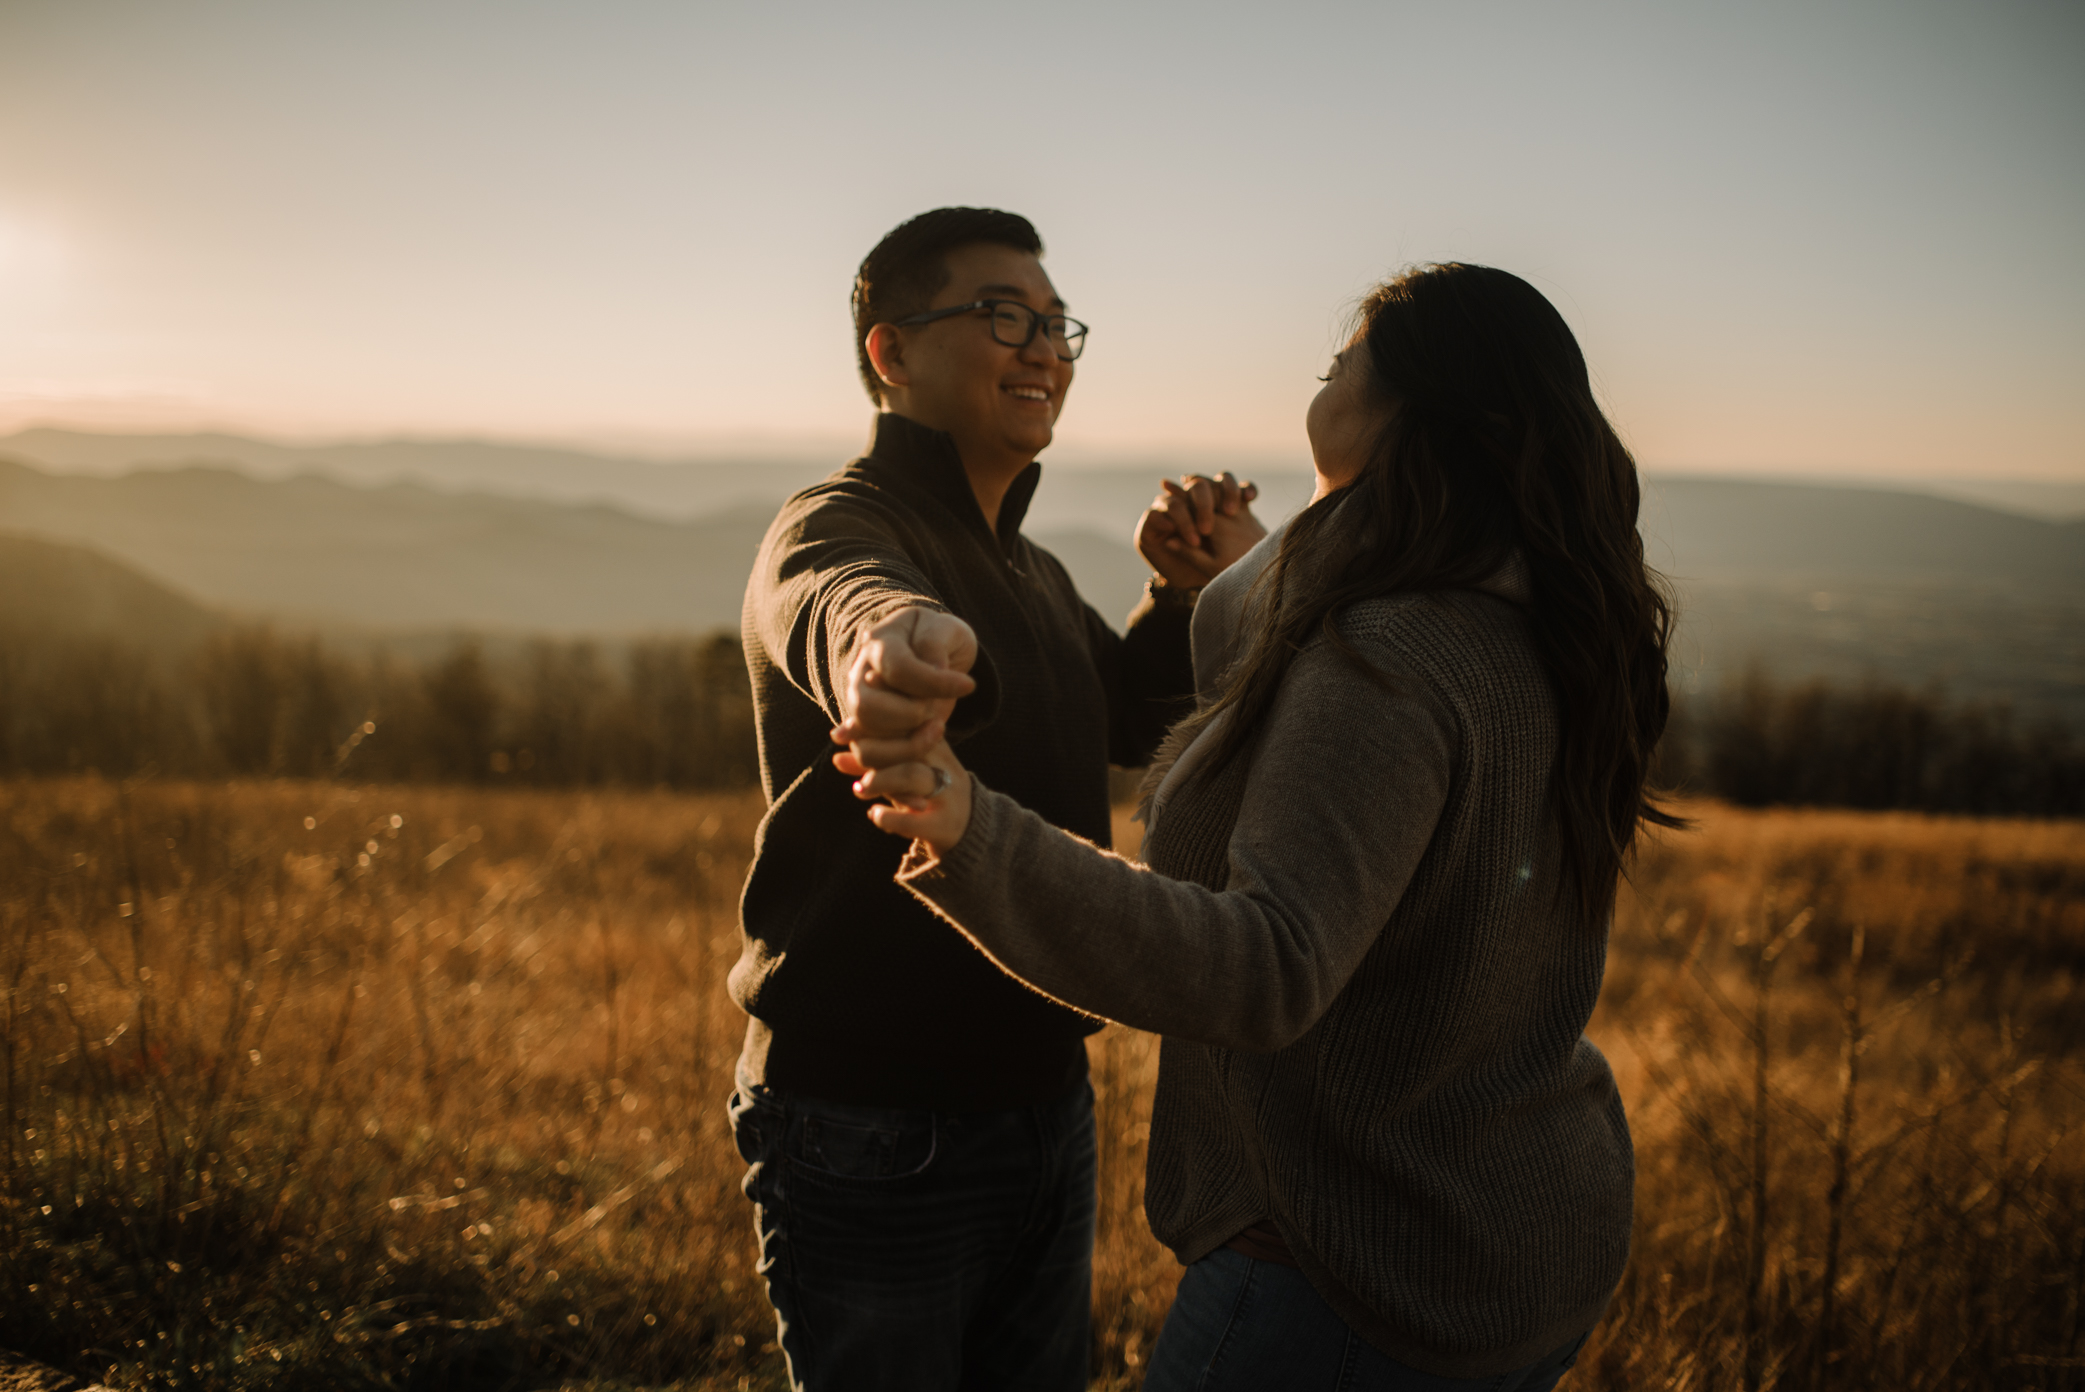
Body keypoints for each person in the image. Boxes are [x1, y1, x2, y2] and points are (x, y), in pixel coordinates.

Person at [840, 262, 1679, 1389]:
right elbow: (1331, 744)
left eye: (1340, 366)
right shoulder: (1541, 613)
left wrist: (969, 827)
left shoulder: (1388, 654)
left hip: (1346, 1268)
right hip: (1519, 1229)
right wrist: (1239, 572)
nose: (1318, 380)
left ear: (1407, 414)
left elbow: (1264, 968)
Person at [727, 206, 1265, 1391]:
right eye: (1002, 316)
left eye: (1057, 323)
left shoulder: (1029, 563)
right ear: (892, 352)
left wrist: (1185, 598)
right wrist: (884, 646)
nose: (1045, 349)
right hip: (873, 1124)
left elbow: (1122, 714)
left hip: (1041, 1103)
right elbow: (836, 599)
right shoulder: (841, 523)